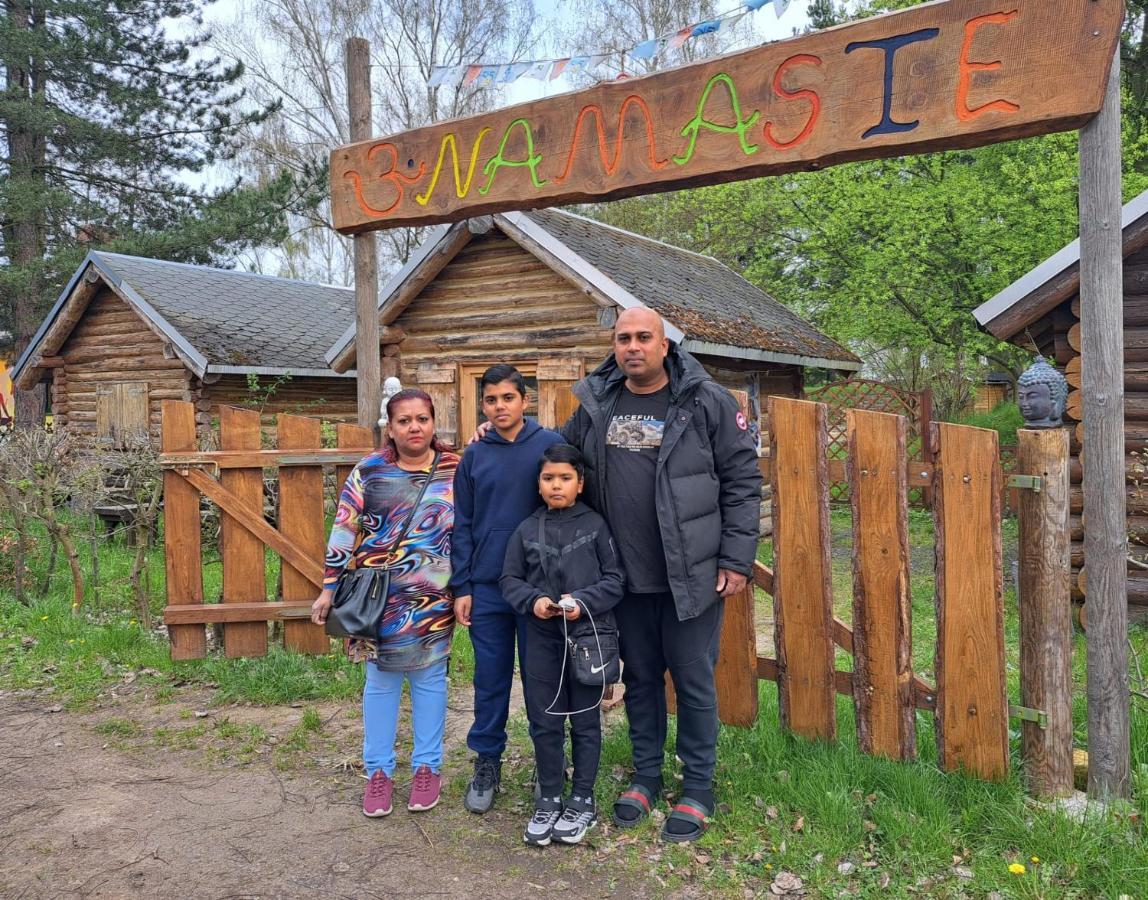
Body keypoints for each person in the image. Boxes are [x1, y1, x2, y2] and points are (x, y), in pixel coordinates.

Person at [561, 305, 762, 843]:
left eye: (643, 337)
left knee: (693, 681)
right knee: (642, 679)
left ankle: (697, 787)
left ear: (665, 344)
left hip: (690, 574)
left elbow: (743, 478)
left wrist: (737, 558)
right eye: (623, 338)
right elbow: (559, 456)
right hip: (623, 578)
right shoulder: (597, 402)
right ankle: (646, 776)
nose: (632, 347)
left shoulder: (704, 399)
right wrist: (504, 433)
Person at [311, 388, 460, 819]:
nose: (415, 427)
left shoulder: (455, 469)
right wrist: (328, 588)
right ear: (389, 428)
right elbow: (344, 531)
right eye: (405, 420)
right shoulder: (369, 471)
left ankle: (427, 768)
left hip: (435, 597)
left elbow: (470, 531)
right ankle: (378, 772)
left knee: (431, 681)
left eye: (423, 419)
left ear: (434, 422)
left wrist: (466, 588)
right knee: (380, 684)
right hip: (379, 599)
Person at [450, 364, 565, 813]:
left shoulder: (549, 446)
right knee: (490, 680)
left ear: (525, 400)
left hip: (539, 589)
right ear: (483, 405)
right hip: (487, 588)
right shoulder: (475, 456)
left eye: (508, 398)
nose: (500, 407)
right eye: (491, 400)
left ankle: (548, 763)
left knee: (542, 680)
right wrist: (463, 585)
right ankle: (487, 761)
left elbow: (566, 507)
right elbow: (461, 524)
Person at [500, 443, 626, 846]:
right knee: (545, 720)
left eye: (565, 478)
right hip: (540, 639)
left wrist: (582, 602)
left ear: (580, 483)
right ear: (538, 485)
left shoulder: (596, 526)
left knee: (585, 721)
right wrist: (532, 601)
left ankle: (582, 799)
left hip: (587, 637)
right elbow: (509, 580)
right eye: (549, 478)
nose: (557, 485)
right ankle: (550, 796)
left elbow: (615, 579)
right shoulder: (526, 529)